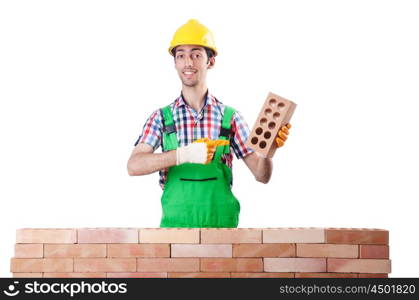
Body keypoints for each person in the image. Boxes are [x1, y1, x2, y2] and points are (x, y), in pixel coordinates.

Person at [127, 19, 291, 228]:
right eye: (181, 55)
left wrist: (269, 150)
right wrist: (183, 154)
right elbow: (133, 166)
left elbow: (261, 175)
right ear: (175, 62)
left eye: (196, 55)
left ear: (210, 61)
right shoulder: (161, 118)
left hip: (222, 231)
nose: (188, 62)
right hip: (175, 231)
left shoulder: (230, 118)